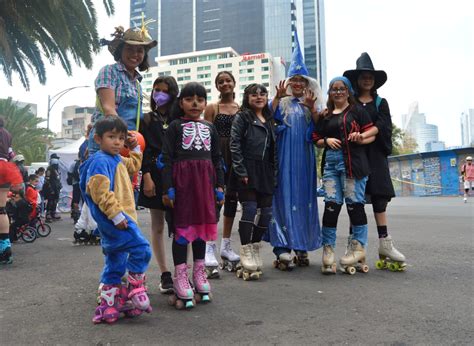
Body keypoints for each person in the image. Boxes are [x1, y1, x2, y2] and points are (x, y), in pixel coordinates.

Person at [80, 116, 152, 324]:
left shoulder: (115, 158)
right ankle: (134, 287)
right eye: (112, 137)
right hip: (117, 219)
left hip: (117, 218)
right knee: (142, 249)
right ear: (98, 139)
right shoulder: (100, 160)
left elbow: (134, 165)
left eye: (121, 138)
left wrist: (135, 147)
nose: (118, 142)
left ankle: (109, 303)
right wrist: (116, 215)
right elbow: (100, 192)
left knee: (116, 261)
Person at [161, 82, 224, 308]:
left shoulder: (211, 128)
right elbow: (166, 159)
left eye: (200, 99)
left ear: (205, 103)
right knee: (182, 230)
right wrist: (168, 187)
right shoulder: (174, 127)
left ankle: (199, 274)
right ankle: (180, 277)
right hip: (183, 184)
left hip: (205, 184)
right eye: (189, 99)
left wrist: (220, 187)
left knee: (200, 230)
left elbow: (217, 159)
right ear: (181, 103)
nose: (195, 103)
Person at [343, 52, 406, 271]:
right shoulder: (350, 104)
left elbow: (383, 125)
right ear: (357, 80)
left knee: (379, 201)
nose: (367, 79)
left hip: (376, 157)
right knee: (355, 202)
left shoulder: (381, 103)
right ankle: (355, 246)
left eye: (370, 76)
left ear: (374, 80)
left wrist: (364, 135)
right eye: (363, 76)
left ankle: (385, 244)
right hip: (356, 158)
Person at [266, 32, 324, 270]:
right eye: (294, 80)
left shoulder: (313, 106)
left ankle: (301, 245)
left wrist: (313, 110)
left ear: (307, 83)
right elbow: (268, 119)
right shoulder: (280, 103)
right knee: (281, 199)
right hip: (283, 159)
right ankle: (281, 248)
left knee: (303, 199)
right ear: (288, 82)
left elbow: (319, 129)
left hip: (304, 161)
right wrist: (276, 98)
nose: (298, 84)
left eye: (302, 80)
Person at [312, 76, 378, 275]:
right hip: (331, 165)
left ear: (348, 91)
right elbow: (315, 138)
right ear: (330, 93)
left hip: (353, 165)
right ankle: (328, 250)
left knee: (354, 204)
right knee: (331, 205)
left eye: (342, 88)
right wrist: (326, 140)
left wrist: (360, 138)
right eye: (334, 89)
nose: (338, 92)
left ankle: (358, 248)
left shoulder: (358, 111)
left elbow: (372, 133)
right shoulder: (326, 115)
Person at [229, 83, 277, 280]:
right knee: (249, 209)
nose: (259, 97)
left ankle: (255, 247)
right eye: (254, 94)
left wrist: (275, 172)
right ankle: (245, 250)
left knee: (266, 213)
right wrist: (240, 170)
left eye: (263, 94)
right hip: (247, 167)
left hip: (265, 169)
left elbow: (274, 149)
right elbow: (235, 144)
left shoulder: (270, 120)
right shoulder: (242, 117)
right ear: (247, 98)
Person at [89, 24, 157, 155]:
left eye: (140, 50)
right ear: (120, 51)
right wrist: (125, 136)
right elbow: (109, 109)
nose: (135, 54)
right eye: (129, 49)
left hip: (129, 144)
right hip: (106, 143)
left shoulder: (137, 84)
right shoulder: (109, 71)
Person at [138, 75, 179, 294]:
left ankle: (181, 270)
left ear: (173, 93)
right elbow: (142, 150)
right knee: (158, 225)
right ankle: (165, 273)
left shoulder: (180, 117)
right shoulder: (145, 119)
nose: (158, 94)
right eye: (155, 90)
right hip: (153, 173)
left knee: (182, 225)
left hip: (177, 174)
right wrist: (146, 175)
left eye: (163, 90)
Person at [203, 71, 240, 277]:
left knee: (232, 200)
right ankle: (210, 246)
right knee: (215, 201)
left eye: (228, 80)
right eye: (221, 81)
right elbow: (206, 134)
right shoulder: (212, 108)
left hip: (236, 157)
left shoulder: (241, 108)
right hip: (217, 156)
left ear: (234, 84)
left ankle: (226, 244)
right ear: (217, 86)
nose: (225, 83)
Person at [0, 116, 23, 263]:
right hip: (5, 168)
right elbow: (11, 154)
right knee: (1, 209)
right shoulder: (7, 134)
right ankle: (5, 248)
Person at [43, 153, 62, 222]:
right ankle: (48, 214)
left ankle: (53, 213)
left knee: (55, 201)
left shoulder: (56, 169)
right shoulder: (49, 169)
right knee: (50, 201)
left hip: (56, 187)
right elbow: (47, 179)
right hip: (51, 187)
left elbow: (57, 178)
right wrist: (50, 188)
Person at [67, 156, 81, 223]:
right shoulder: (88, 162)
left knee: (75, 200)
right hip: (85, 183)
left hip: (76, 183)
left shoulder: (74, 163)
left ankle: (76, 217)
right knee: (85, 201)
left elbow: (69, 173)